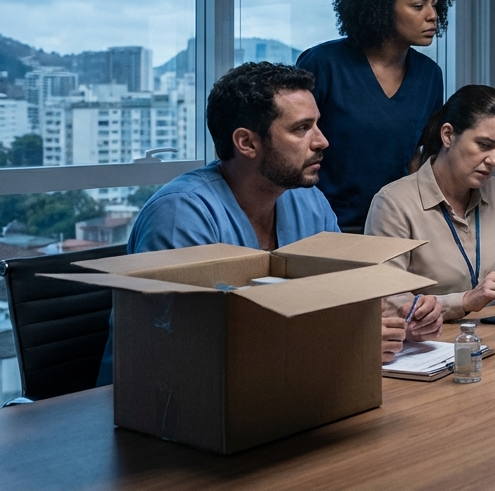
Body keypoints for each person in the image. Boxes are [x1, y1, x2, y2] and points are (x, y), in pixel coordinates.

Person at [96, 63, 442, 385]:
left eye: (317, 125)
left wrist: (400, 321)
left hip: (281, 389)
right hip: (166, 409)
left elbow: (351, 295)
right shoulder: (180, 215)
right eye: (301, 128)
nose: (322, 141)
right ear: (247, 142)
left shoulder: (308, 201)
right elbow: (182, 344)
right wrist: (342, 339)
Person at [296, 0, 455, 232]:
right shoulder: (324, 64)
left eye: (435, 4)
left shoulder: (430, 75)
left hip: (394, 225)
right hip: (324, 225)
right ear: (381, 7)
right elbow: (292, 147)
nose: (432, 15)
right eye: (418, 6)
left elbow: (418, 159)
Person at [366, 85, 495, 322]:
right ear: (448, 135)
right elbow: (387, 301)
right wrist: (464, 301)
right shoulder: (393, 203)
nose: (493, 160)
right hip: (429, 346)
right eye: (484, 145)